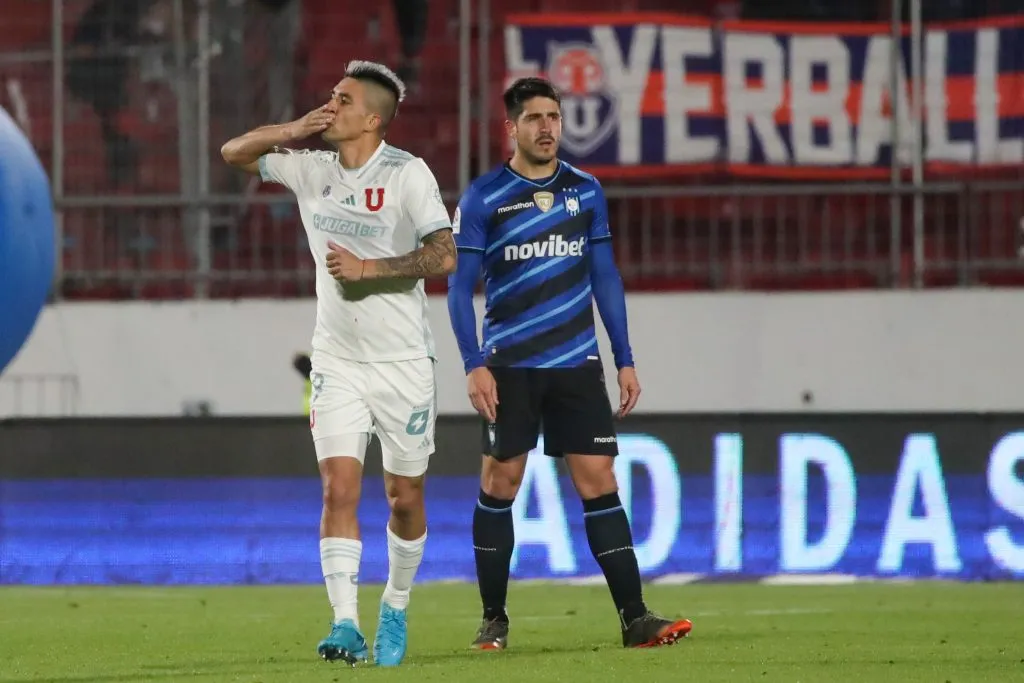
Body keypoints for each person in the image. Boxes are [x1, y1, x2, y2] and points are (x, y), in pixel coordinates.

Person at [221, 60, 456, 667]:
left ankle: (396, 606)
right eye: (331, 96)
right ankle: (345, 623)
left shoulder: (408, 173)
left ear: (373, 119)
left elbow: (444, 253)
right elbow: (233, 153)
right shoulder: (313, 168)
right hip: (337, 358)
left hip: (402, 360)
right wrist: (293, 127)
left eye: (343, 100)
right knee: (338, 488)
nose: (332, 105)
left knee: (404, 496)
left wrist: (369, 269)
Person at [445, 77, 693, 651]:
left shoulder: (585, 191)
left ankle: (635, 618)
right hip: (510, 363)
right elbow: (460, 289)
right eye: (534, 118)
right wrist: (472, 362)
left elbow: (606, 277)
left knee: (598, 479)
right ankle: (494, 619)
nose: (548, 127)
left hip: (576, 363)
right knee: (501, 479)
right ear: (511, 128)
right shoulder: (485, 197)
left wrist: (624, 358)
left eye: (554, 116)